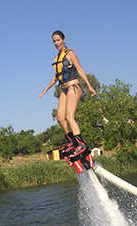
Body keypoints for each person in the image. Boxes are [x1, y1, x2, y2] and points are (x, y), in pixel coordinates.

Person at [40, 30, 96, 174]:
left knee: (70, 117)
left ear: (63, 40)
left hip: (73, 87)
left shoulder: (70, 53)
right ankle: (72, 142)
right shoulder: (57, 57)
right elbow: (56, 77)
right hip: (63, 89)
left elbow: (80, 69)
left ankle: (82, 146)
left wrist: (89, 85)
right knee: (60, 118)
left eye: (58, 40)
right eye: (54, 41)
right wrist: (45, 89)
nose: (56, 43)